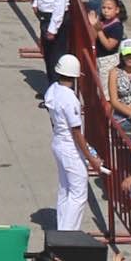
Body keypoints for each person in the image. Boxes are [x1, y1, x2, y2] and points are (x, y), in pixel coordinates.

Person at [45, 50, 90, 231]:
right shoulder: (70, 99)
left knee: (65, 188)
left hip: (58, 141)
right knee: (78, 193)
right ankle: (68, 234)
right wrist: (91, 157)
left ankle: (62, 228)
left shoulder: (52, 90)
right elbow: (77, 133)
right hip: (69, 146)